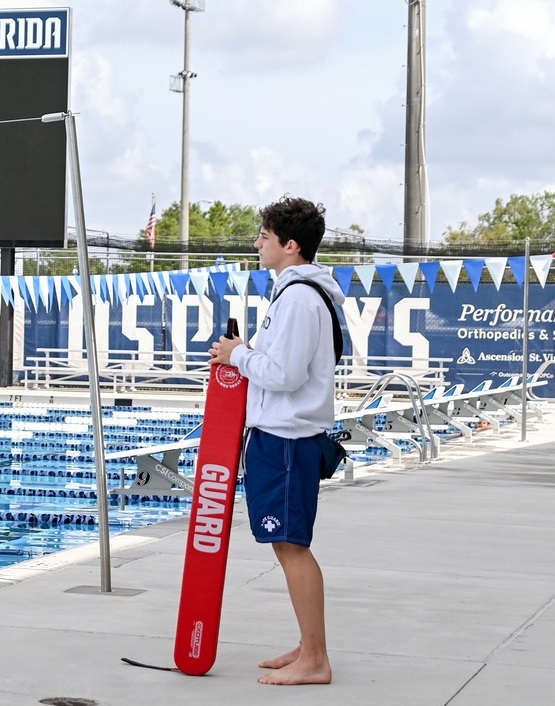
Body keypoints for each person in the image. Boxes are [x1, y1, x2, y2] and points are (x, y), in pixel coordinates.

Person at [209, 196, 342, 686]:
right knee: (285, 545)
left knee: (291, 546)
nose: (256, 243)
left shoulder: (301, 299)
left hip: (287, 441)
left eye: (264, 235)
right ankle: (308, 647)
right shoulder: (293, 294)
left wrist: (237, 353)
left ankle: (316, 660)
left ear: (291, 245)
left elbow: (285, 374)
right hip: (278, 438)